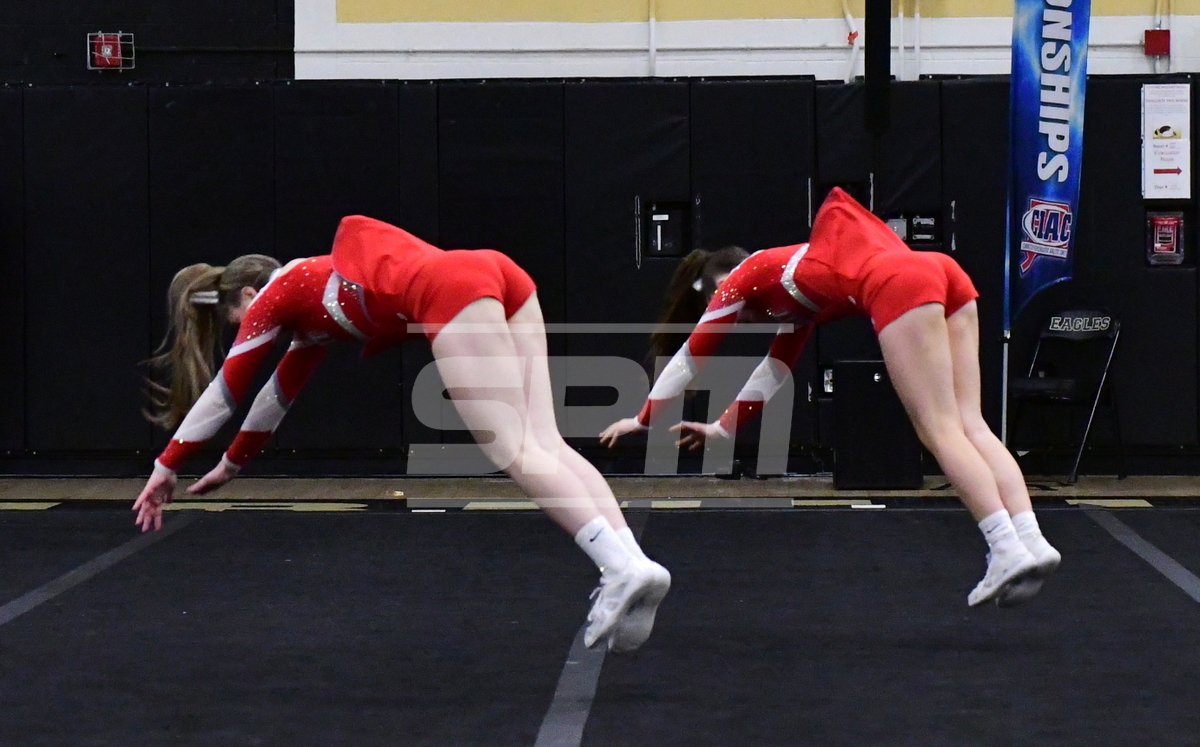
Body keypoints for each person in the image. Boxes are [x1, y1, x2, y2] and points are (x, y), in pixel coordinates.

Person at [133, 217, 670, 652]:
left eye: (239, 321)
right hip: (499, 271)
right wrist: (230, 464)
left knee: (514, 451)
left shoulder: (278, 296)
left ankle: (617, 566)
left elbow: (227, 391)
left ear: (251, 293)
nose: (250, 331)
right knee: (546, 443)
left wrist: (165, 465)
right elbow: (274, 398)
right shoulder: (311, 302)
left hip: (449, 289)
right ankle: (633, 561)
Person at [600, 187, 1061, 608]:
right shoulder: (794, 289)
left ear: (720, 287)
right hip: (942, 270)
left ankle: (1004, 546)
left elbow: (692, 354)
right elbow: (775, 368)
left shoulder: (744, 276)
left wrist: (642, 418)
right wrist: (723, 428)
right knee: (970, 424)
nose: (735, 321)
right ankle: (1032, 539)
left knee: (939, 430)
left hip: (899, 280)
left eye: (725, 310)